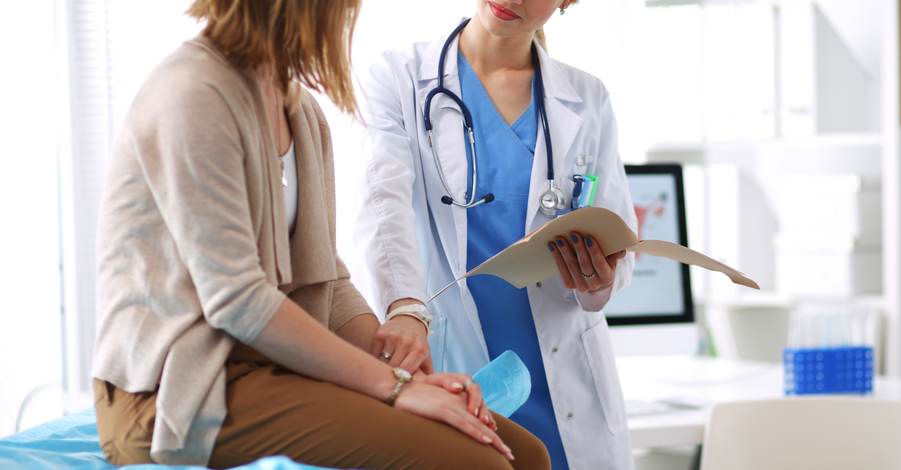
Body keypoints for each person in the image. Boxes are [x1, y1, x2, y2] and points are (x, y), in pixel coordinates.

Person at [89, 1, 551, 469]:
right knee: (481, 464)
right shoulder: (194, 93)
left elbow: (326, 277)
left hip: (267, 369)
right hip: (177, 391)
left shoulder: (300, 110)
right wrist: (392, 387)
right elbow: (237, 298)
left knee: (526, 454)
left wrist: (402, 371)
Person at [355, 1, 638, 469]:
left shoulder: (587, 98)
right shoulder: (398, 78)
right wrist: (403, 306)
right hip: (461, 368)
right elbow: (380, 203)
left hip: (567, 384)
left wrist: (601, 278)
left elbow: (618, 235)